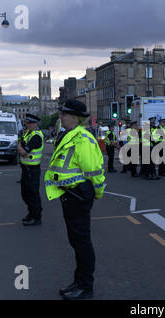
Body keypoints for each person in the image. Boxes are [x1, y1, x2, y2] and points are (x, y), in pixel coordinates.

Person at [45, 99, 105, 300]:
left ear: (74, 117)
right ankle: (78, 281)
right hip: (69, 196)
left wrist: (95, 193)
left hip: (79, 196)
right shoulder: (68, 135)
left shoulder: (83, 139)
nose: (60, 117)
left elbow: (94, 172)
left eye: (63, 114)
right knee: (76, 242)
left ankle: (86, 286)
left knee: (82, 243)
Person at [18, 114, 44, 226]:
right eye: (26, 122)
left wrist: (19, 146)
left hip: (32, 169)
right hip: (25, 169)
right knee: (25, 194)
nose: (26, 124)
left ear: (35, 124)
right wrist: (21, 147)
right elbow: (21, 147)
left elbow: (23, 152)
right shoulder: (28, 133)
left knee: (33, 194)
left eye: (29, 122)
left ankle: (36, 217)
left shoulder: (36, 136)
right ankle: (31, 213)